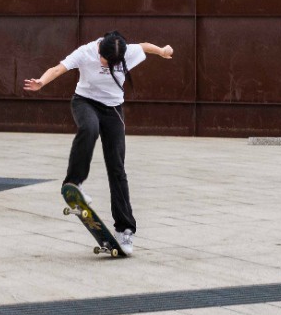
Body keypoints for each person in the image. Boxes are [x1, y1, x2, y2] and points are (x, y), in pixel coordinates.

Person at [23, 31, 173, 250]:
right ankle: (74, 182)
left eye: (115, 63)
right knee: (89, 128)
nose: (110, 65)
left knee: (117, 168)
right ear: (99, 50)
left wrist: (162, 51)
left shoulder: (126, 52)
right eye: (106, 61)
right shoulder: (86, 52)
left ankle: (125, 230)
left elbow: (144, 46)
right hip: (85, 102)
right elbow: (59, 68)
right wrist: (41, 82)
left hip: (113, 109)